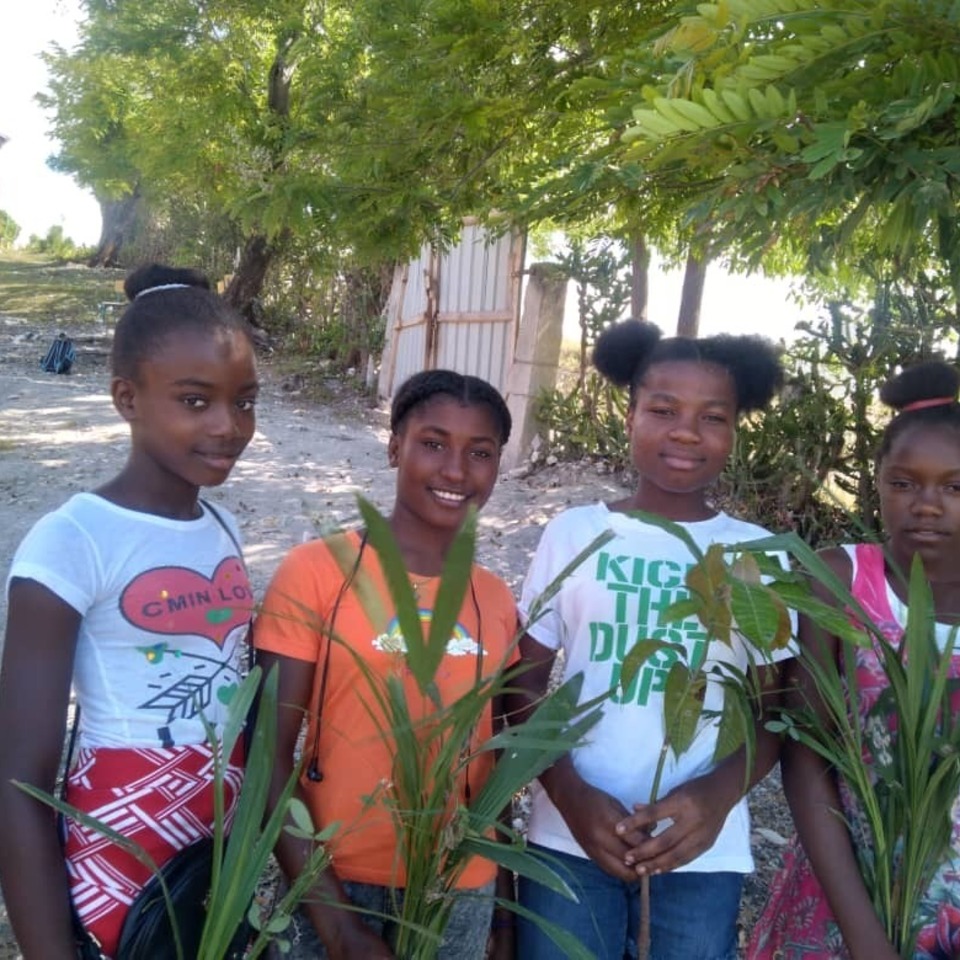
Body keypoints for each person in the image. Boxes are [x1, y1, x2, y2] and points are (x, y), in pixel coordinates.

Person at [510, 319, 792, 960]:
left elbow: (775, 711)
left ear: (734, 430)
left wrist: (715, 799)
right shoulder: (575, 534)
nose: (687, 432)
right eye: (663, 409)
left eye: (712, 417)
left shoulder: (755, 555)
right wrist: (570, 795)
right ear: (630, 412)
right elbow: (520, 687)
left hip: (700, 846)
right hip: (569, 837)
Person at [0, 263, 259, 958]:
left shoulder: (224, 530)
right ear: (127, 398)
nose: (229, 426)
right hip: (120, 863)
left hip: (216, 865)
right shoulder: (72, 541)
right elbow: (17, 780)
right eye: (195, 401)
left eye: (245, 401)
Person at [254, 369, 518, 960]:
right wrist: (336, 926)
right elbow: (267, 755)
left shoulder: (496, 599)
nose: (455, 470)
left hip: (456, 889)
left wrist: (502, 913)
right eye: (433, 443)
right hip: (329, 874)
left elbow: (490, 768)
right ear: (395, 445)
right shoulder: (316, 573)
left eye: (480, 453)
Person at [748, 359, 960, 960]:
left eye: (955, 486)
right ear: (876, 481)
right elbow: (806, 748)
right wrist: (866, 937)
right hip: (848, 890)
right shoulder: (840, 580)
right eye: (903, 483)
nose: (926, 504)